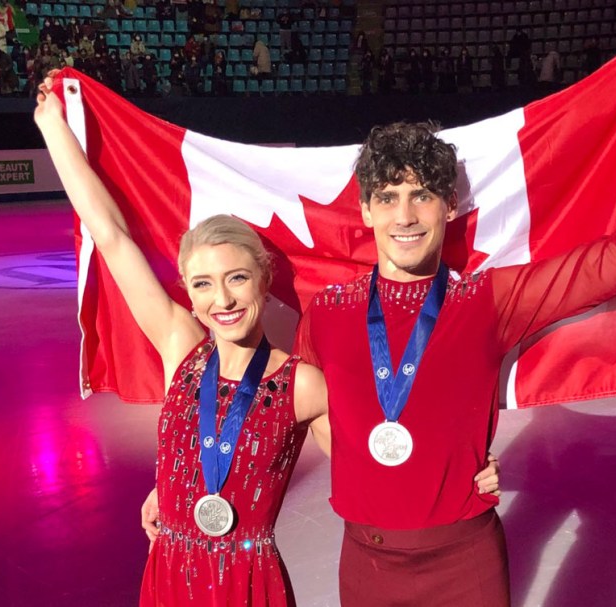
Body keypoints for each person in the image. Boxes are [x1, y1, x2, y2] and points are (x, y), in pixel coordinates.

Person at [34, 72, 500, 606]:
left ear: (262, 279)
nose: (223, 300)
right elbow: (112, 237)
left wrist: (469, 465)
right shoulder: (179, 347)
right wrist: (54, 130)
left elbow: (381, 438)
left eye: (236, 279)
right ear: (187, 292)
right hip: (169, 575)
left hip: (249, 582)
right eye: (204, 284)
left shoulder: (300, 383)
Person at [293, 27, 616, 606]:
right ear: (365, 209)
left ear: (450, 206)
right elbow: (290, 415)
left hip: (466, 563)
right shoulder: (329, 312)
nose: (404, 215)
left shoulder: (488, 300)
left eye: (422, 195)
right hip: (367, 564)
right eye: (387, 197)